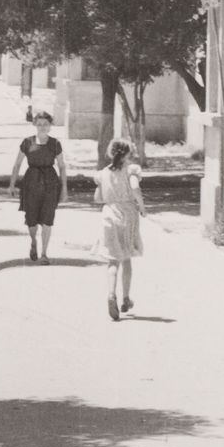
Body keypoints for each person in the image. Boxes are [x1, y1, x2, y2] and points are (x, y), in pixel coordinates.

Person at [96, 137, 145, 321]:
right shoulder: (131, 170)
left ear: (110, 153)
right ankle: (125, 298)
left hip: (109, 214)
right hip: (127, 213)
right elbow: (135, 189)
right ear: (128, 154)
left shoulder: (102, 173)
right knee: (126, 258)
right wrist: (142, 207)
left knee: (112, 261)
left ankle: (111, 294)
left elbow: (98, 198)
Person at [8, 111, 67, 263]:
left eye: (45, 124)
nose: (42, 127)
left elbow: (62, 167)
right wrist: (12, 185)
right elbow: (17, 164)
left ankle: (44, 253)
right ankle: (33, 241)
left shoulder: (55, 144)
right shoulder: (27, 142)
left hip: (50, 183)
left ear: (50, 126)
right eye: (39, 124)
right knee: (31, 218)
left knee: (48, 218)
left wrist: (64, 189)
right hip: (31, 182)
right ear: (35, 125)